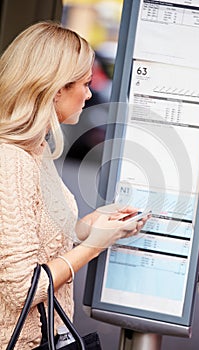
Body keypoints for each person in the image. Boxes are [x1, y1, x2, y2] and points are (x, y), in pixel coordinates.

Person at [0, 22, 149, 349]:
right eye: (83, 83)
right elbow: (23, 288)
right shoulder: (11, 162)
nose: (90, 92)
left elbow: (42, 240)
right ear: (55, 89)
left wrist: (94, 224)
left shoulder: (36, 151)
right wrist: (95, 244)